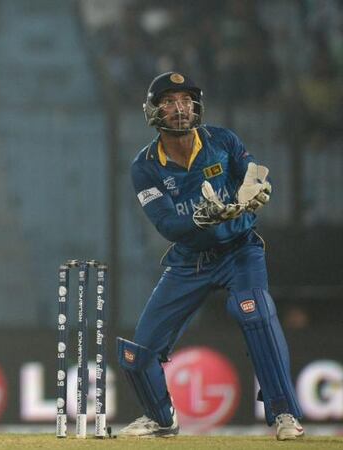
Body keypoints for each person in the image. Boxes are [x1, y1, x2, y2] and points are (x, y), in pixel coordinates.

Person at [117, 72, 304, 441]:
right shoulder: (145, 167)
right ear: (154, 111)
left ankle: (284, 414)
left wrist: (260, 191)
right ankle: (160, 418)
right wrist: (200, 218)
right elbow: (168, 225)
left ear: (195, 105)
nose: (179, 108)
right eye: (169, 102)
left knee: (255, 312)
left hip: (239, 252)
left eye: (185, 100)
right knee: (139, 353)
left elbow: (253, 180)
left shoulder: (222, 141)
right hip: (189, 261)